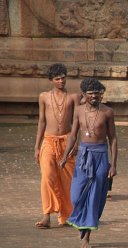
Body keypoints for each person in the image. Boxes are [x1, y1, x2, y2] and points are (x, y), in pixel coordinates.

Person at [59, 78, 118, 248]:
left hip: (100, 156)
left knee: (94, 198)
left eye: (98, 93)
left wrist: (113, 165)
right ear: (84, 94)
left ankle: (86, 235)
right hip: (83, 156)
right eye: (90, 93)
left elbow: (113, 139)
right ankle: (81, 222)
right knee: (76, 196)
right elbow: (72, 135)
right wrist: (65, 156)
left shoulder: (107, 112)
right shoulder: (78, 110)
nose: (94, 96)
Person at [34, 63, 80, 229]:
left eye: (63, 77)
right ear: (51, 80)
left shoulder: (74, 97)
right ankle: (46, 215)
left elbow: (77, 122)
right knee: (47, 176)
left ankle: (67, 215)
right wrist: (37, 146)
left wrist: (76, 143)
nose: (61, 81)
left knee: (68, 180)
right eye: (57, 78)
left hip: (67, 141)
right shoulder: (44, 97)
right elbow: (41, 121)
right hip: (48, 140)